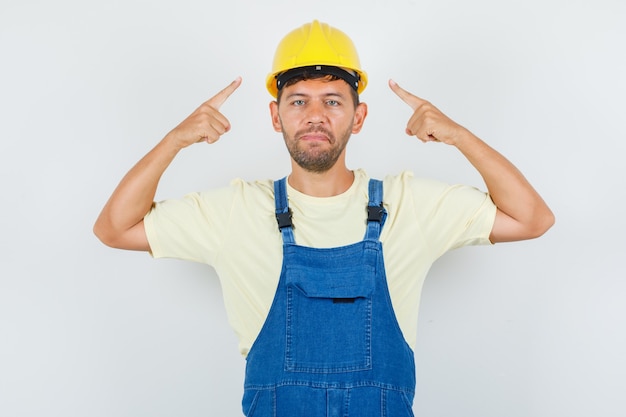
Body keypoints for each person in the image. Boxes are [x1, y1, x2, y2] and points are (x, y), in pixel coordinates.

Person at [94, 19, 554, 417]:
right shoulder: (235, 211)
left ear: (359, 117)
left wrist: (458, 136)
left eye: (333, 100)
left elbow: (532, 218)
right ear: (276, 116)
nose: (315, 116)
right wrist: (174, 140)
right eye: (298, 101)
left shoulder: (408, 204)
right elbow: (114, 229)